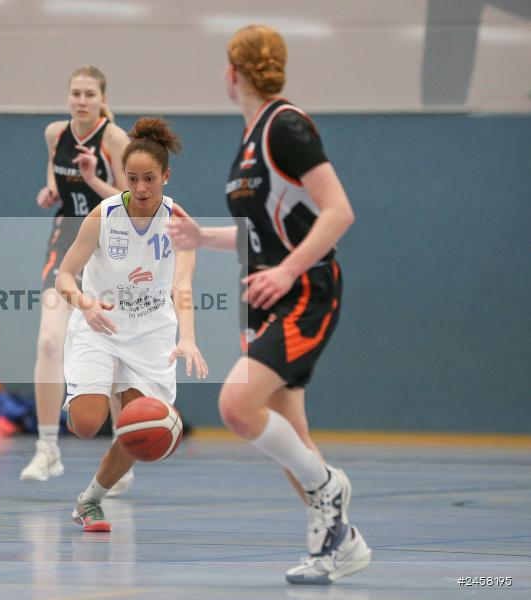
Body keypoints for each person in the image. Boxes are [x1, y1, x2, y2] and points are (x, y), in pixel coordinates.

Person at [167, 25, 370, 584]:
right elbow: (265, 233)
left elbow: (338, 213)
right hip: (266, 294)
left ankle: (329, 486)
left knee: (236, 406)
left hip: (303, 293)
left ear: (231, 73)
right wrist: (203, 238)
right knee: (289, 437)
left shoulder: (286, 126)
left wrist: (286, 271)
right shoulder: (253, 135)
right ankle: (339, 542)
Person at [58, 117, 208, 532]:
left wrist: (189, 339)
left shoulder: (179, 222)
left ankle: (90, 501)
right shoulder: (103, 215)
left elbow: (182, 286)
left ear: (166, 176)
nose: (141, 188)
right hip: (99, 323)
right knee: (87, 425)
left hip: (150, 334)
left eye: (149, 179)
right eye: (132, 178)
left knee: (137, 430)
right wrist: (85, 304)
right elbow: (64, 277)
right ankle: (92, 386)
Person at [21, 66, 133, 492]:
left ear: (102, 99)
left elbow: (131, 202)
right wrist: (50, 190)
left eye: (89, 94)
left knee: (118, 354)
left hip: (112, 242)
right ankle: (47, 448)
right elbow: (54, 173)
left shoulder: (114, 139)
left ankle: (123, 455)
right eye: (75, 93)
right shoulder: (55, 134)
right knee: (49, 340)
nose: (81, 101)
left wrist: (92, 179)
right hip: (68, 237)